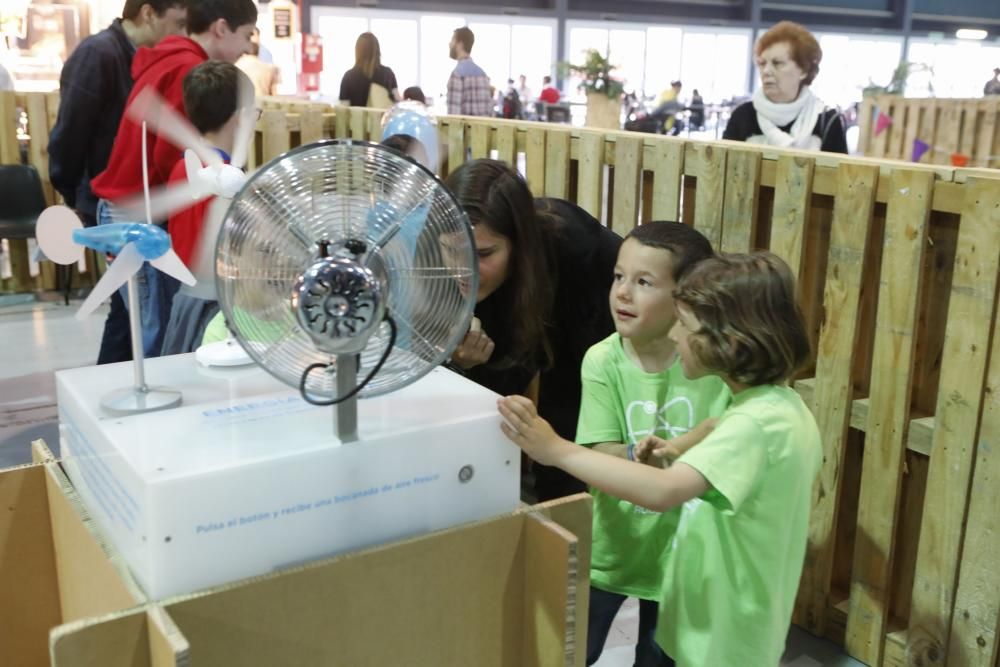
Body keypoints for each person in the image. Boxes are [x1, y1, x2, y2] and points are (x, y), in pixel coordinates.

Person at [498, 250, 822, 666]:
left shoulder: (756, 425)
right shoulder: (779, 407)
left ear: (728, 340)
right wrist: (681, 447)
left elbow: (665, 492)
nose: (674, 336)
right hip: (720, 624)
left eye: (684, 326)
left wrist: (555, 450)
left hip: (720, 640)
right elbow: (717, 429)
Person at [579, 222, 731, 666]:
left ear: (686, 299)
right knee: (570, 652)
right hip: (611, 549)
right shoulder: (602, 360)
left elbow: (729, 435)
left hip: (681, 558)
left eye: (643, 282)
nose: (622, 293)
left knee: (657, 660)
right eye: (618, 276)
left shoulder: (715, 367)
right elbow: (596, 452)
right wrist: (632, 456)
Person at [444, 159, 622, 501]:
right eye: (453, 250)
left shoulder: (573, 249)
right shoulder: (443, 265)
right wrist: (463, 366)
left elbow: (583, 388)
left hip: (592, 333)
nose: (464, 268)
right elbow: (499, 392)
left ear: (519, 243)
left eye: (483, 253)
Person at [89, 0, 257, 359]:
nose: (247, 48)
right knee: (155, 335)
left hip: (126, 208)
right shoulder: (189, 71)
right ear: (221, 28)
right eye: (246, 35)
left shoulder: (170, 60)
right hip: (139, 216)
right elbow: (175, 159)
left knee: (131, 325)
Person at [47, 0, 187, 365]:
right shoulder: (99, 53)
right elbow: (69, 133)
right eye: (177, 21)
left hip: (131, 200)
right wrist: (77, 195)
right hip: (108, 199)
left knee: (130, 314)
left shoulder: (141, 57)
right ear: (148, 12)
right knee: (132, 316)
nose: (181, 31)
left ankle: (108, 386)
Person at [161, 61, 253, 355]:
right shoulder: (226, 181)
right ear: (240, 118)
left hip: (184, 300)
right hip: (215, 309)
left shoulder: (181, 167)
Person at [723, 21, 847, 153]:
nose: (766, 71)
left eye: (777, 63)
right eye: (762, 63)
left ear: (804, 70)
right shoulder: (743, 116)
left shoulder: (827, 120)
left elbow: (840, 173)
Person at [338, 32, 398, 108]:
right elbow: (397, 103)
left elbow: (344, 109)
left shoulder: (348, 76)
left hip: (358, 119)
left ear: (357, 51)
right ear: (377, 50)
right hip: (381, 119)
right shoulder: (388, 73)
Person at [447, 27, 492, 117]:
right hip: (481, 130)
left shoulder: (457, 75)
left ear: (460, 44)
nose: (449, 44)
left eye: (452, 40)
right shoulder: (483, 75)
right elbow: (489, 113)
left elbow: (453, 118)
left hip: (465, 131)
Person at [236, 27, 279, 98]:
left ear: (258, 37)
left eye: (253, 35)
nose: (252, 38)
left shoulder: (266, 53)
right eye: (249, 35)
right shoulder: (238, 56)